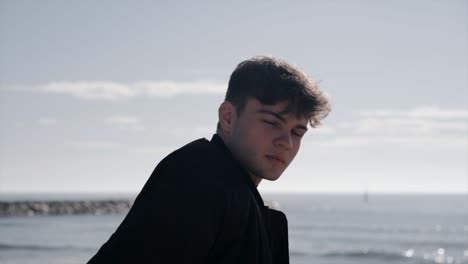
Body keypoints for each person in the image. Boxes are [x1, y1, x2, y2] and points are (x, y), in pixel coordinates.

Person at [88, 56, 331, 264]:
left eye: (297, 132)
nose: (286, 142)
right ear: (227, 117)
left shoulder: (235, 192)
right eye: (271, 122)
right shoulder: (196, 176)